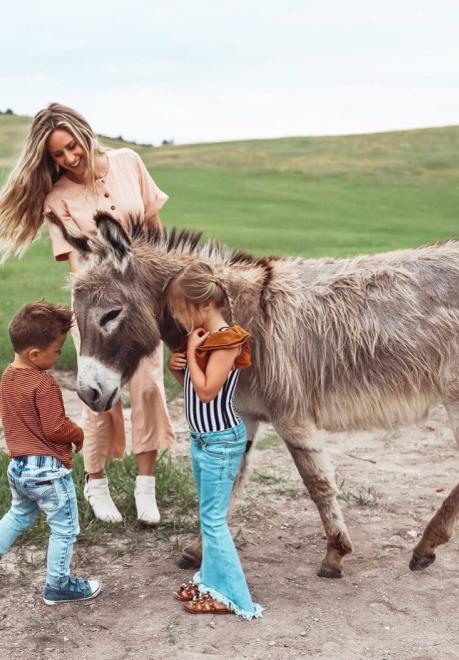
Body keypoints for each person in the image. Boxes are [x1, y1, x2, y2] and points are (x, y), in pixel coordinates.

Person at [0, 103, 175, 524]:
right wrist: (102, 305)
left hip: (142, 307)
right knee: (99, 398)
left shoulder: (128, 162)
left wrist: (161, 289)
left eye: (71, 147)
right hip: (96, 312)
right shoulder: (56, 198)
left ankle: (144, 488)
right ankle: (95, 482)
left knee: (149, 388)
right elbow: (77, 267)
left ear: (85, 132)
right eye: (57, 155)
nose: (68, 159)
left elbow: (155, 230)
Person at [166, 261, 262, 619]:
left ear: (204, 305)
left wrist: (191, 354)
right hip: (204, 440)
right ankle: (209, 582)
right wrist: (178, 368)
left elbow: (207, 392)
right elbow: (193, 389)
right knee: (208, 517)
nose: (179, 318)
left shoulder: (226, 342)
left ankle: (234, 596)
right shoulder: (207, 340)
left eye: (181, 309)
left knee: (213, 521)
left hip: (221, 442)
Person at [0, 300, 101, 605]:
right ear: (34, 354)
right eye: (56, 351)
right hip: (47, 472)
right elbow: (54, 428)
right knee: (65, 528)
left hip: (18, 468)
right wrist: (78, 433)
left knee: (17, 515)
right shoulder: (43, 384)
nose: (58, 356)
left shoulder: (7, 376)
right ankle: (58, 585)